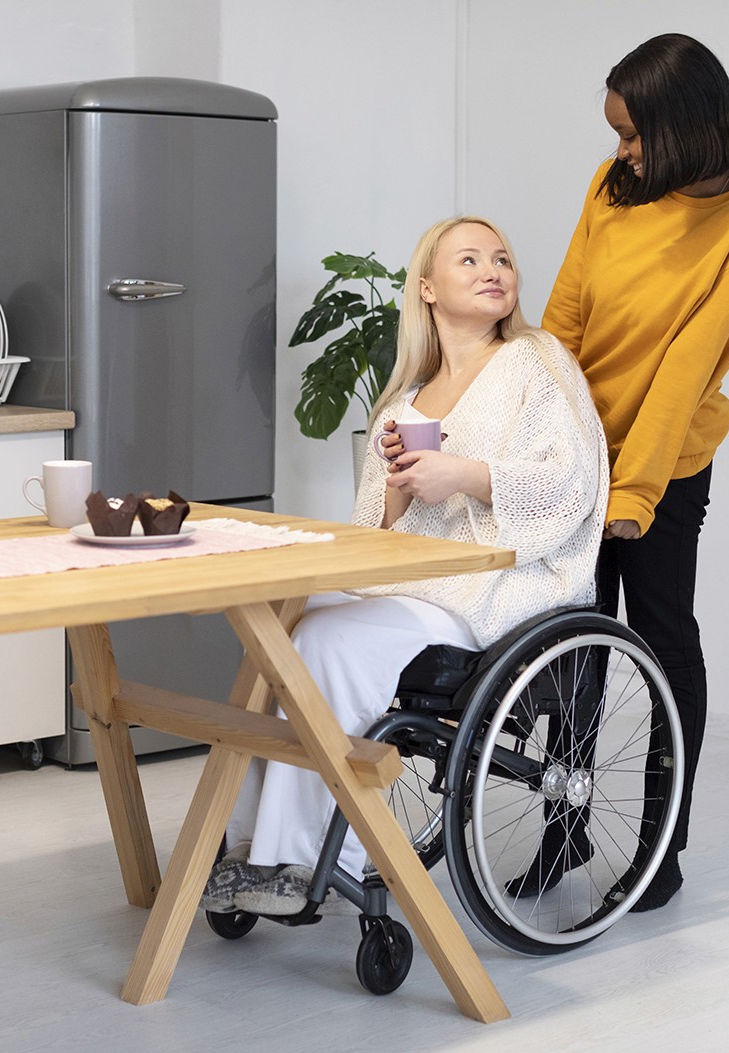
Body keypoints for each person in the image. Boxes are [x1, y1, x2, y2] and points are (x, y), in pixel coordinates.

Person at [202, 216, 609, 916]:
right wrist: (398, 488)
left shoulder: (535, 362)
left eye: (503, 258)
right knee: (285, 624)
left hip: (498, 585)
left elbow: (571, 483)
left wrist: (467, 475)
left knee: (329, 640)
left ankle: (312, 860)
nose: (494, 269)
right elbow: (376, 534)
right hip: (413, 581)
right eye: (471, 259)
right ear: (426, 288)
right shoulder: (404, 402)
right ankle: (246, 846)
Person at [542, 33, 729, 910]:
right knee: (571, 644)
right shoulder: (615, 188)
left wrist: (638, 489)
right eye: (616, 133)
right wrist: (544, 431)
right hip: (579, 450)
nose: (622, 152)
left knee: (659, 641)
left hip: (667, 463)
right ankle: (563, 825)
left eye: (635, 134)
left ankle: (659, 844)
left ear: (684, 126)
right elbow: (567, 313)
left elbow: (691, 358)